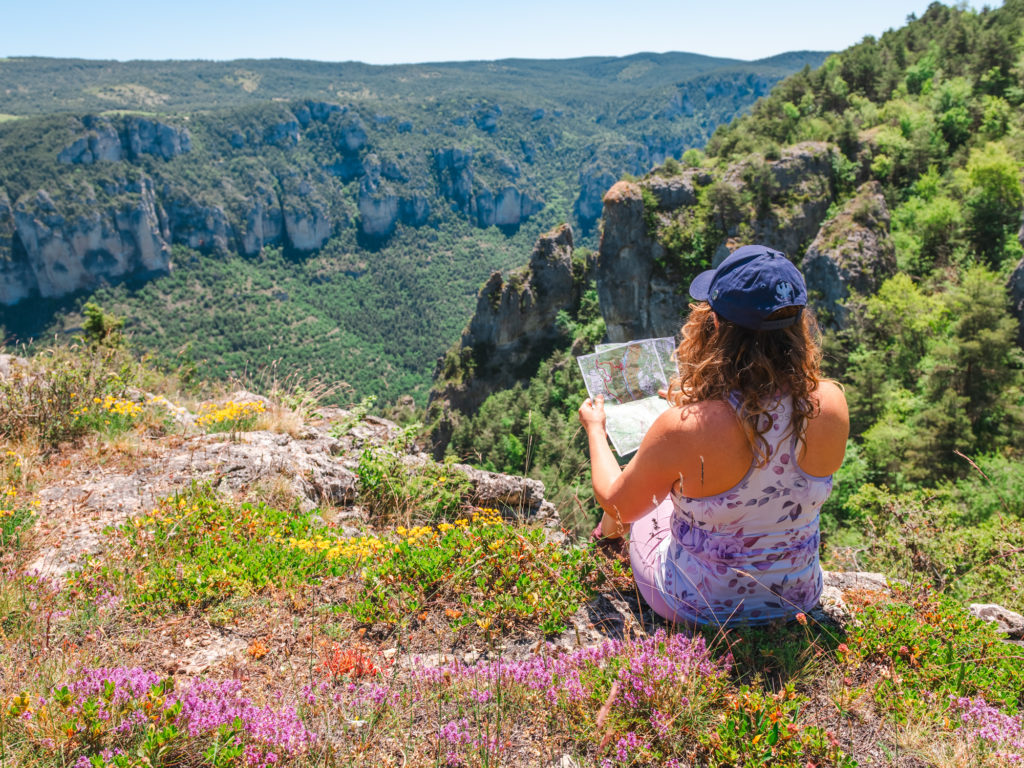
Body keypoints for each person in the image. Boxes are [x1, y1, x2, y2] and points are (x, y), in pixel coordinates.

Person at [578, 244, 849, 627]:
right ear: (797, 326)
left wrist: (596, 429)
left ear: (717, 326)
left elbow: (616, 505)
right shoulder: (831, 403)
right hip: (797, 598)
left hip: (699, 605)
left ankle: (603, 545)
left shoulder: (686, 428)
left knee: (644, 503)